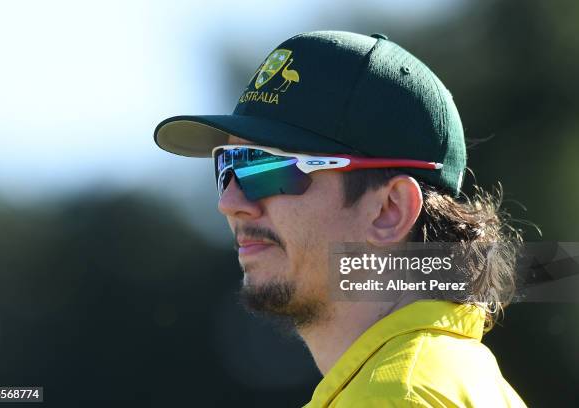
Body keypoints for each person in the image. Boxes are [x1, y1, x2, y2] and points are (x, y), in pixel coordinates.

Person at [154, 31, 527, 407]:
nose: (230, 202)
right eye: (227, 166)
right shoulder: (459, 377)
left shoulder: (393, 397)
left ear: (389, 211)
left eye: (264, 167)